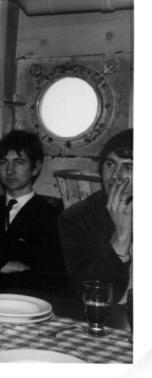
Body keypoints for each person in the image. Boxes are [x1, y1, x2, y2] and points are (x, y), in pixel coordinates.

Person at [0, 130, 67, 292]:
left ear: (36, 167)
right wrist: (6, 266)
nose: (10, 170)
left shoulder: (50, 216)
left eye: (19, 162)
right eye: (4, 162)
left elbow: (46, 278)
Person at [58, 128, 133, 304]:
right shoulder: (77, 218)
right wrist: (120, 238)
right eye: (110, 164)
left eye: (128, 167)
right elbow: (88, 295)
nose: (115, 176)